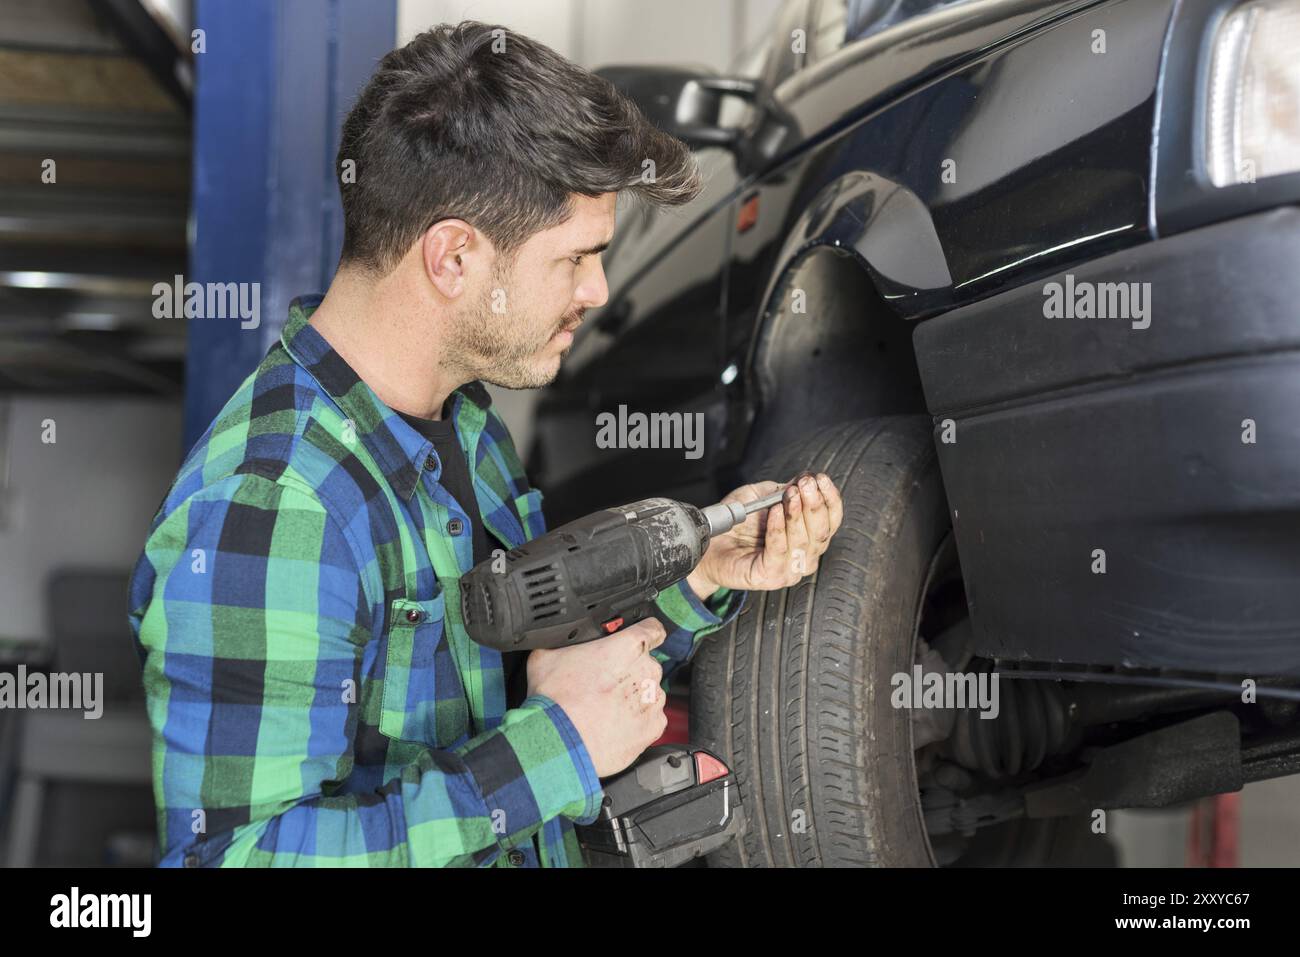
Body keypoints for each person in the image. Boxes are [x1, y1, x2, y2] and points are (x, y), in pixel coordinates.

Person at [128, 21, 843, 868]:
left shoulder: (464, 422)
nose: (599, 290)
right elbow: (236, 858)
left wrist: (703, 574)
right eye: (576, 258)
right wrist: (556, 748)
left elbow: (524, 672)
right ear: (454, 257)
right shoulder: (278, 499)